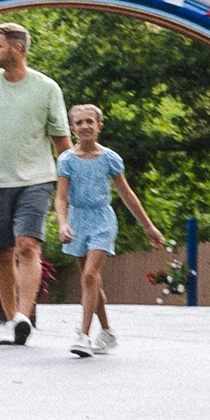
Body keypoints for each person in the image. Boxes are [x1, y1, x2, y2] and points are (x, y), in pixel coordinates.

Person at [0, 22, 71, 346]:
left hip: (36, 178)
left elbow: (61, 139)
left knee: (27, 246)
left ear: (17, 49)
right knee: (2, 252)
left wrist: (71, 179)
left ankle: (24, 314)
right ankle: (12, 321)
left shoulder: (47, 88)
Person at [56, 104, 164, 357]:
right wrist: (63, 222)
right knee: (90, 280)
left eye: (89, 122)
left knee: (90, 275)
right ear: (73, 129)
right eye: (79, 123)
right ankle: (107, 331)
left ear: (99, 126)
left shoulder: (109, 158)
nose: (85, 126)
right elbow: (60, 197)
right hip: (77, 218)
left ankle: (83, 336)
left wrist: (148, 226)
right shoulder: (67, 160)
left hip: (102, 219)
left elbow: (126, 194)